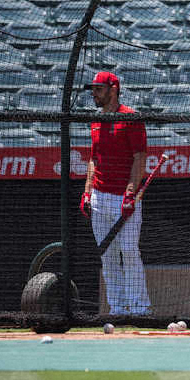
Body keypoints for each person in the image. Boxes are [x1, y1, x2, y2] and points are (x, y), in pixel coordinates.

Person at [80, 71, 151, 316]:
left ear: (113, 89)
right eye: (94, 89)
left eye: (99, 89)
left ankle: (140, 310)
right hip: (99, 197)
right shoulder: (96, 121)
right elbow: (93, 159)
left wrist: (130, 193)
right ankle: (118, 308)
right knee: (107, 256)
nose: (94, 93)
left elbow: (140, 157)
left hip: (124, 198)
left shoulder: (131, 118)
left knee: (129, 251)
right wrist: (87, 193)